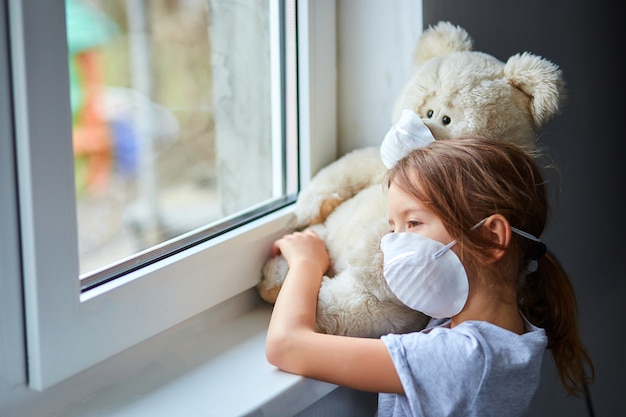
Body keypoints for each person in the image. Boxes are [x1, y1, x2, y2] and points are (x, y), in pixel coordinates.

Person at [265, 136, 594, 416]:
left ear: (492, 238)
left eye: (414, 223)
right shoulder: (504, 334)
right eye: (393, 227)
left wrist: (306, 264)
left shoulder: (465, 359)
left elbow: (286, 346)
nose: (391, 243)